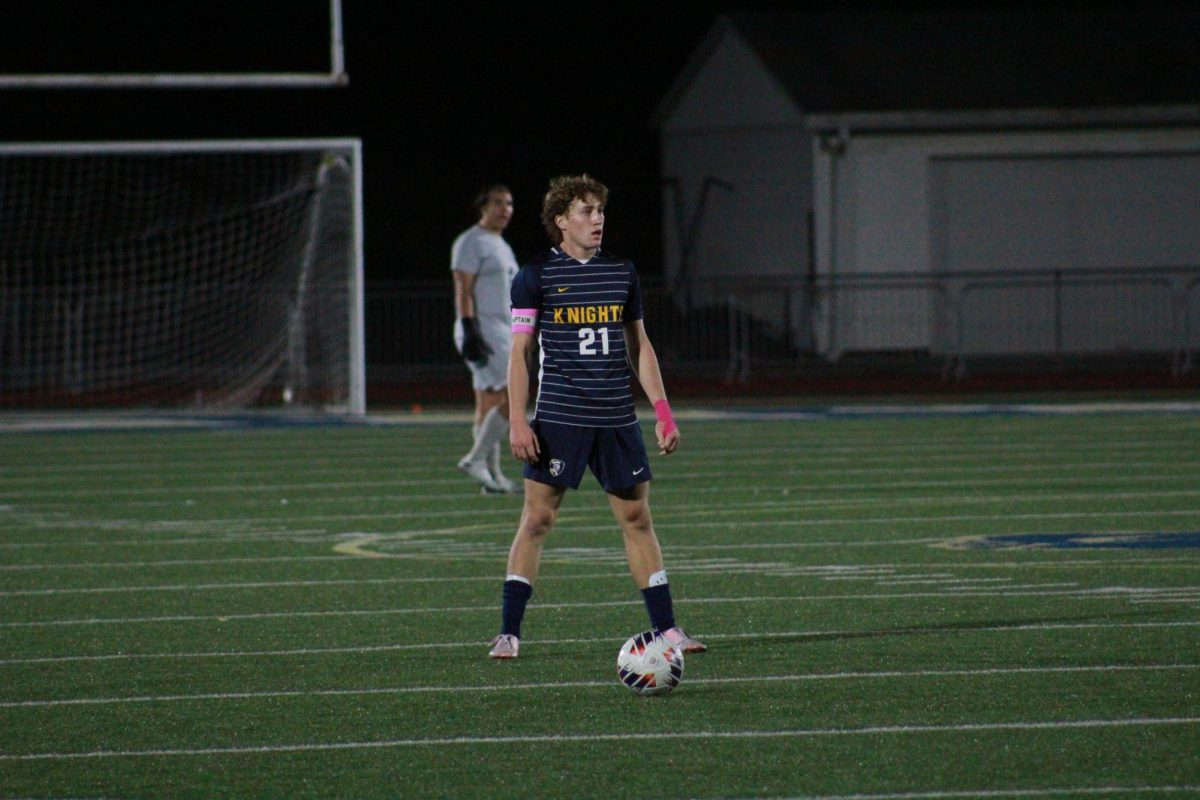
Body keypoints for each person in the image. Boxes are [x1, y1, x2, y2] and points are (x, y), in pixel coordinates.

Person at [487, 174, 706, 659]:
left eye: (600, 210)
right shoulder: (536, 274)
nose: (597, 219)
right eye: (585, 211)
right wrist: (518, 421)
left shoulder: (622, 272)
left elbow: (639, 345)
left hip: (616, 418)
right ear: (561, 221)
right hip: (560, 418)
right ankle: (509, 631)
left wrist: (664, 412)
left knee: (637, 517)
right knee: (538, 518)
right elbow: (520, 352)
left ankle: (668, 630)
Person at [451, 184, 521, 494]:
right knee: (519, 392)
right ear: (483, 207)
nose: (504, 209)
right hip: (483, 328)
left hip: (501, 328)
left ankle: (491, 478)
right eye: (497, 203)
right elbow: (463, 288)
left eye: (508, 203)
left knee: (488, 401)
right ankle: (475, 459)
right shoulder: (471, 241)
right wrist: (469, 327)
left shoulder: (501, 244)